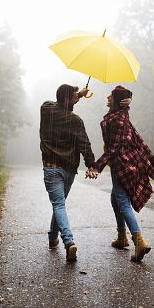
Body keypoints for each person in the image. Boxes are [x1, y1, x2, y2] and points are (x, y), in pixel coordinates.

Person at [40, 84, 130, 262]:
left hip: (51, 167)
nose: (76, 99)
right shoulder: (75, 121)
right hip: (68, 170)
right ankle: (56, 239)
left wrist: (79, 94)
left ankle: (65, 240)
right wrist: (91, 165)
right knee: (59, 204)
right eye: (74, 97)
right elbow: (84, 144)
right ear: (67, 100)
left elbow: (59, 103)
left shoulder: (46, 109)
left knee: (59, 205)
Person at [86, 85, 154, 262]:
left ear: (117, 100)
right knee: (115, 198)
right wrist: (127, 103)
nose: (107, 98)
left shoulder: (117, 120)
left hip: (121, 165)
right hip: (124, 163)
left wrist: (97, 166)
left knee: (123, 202)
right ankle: (122, 238)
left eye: (111, 96)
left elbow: (113, 148)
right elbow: (124, 109)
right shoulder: (121, 115)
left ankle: (139, 241)